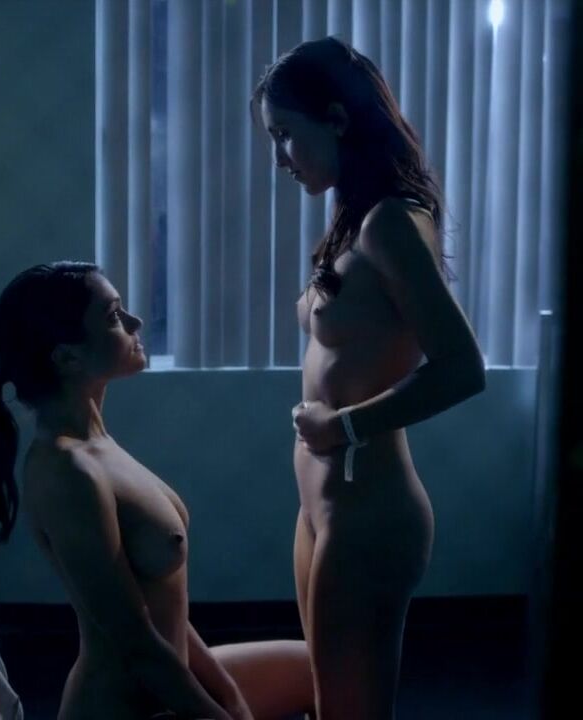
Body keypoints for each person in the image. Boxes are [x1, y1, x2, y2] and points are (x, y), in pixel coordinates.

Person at [251, 36, 486, 719]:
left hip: (369, 513)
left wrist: (344, 426)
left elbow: (463, 369)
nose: (279, 158)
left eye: (285, 135)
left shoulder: (390, 221)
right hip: (322, 507)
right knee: (328, 705)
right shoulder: (353, 219)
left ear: (336, 119)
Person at [0, 261, 315, 720]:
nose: (136, 322)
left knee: (322, 671)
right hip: (125, 706)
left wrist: (230, 696)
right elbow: (135, 643)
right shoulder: (68, 472)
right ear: (67, 358)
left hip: (166, 678)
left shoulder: (96, 441)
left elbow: (162, 610)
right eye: (114, 316)